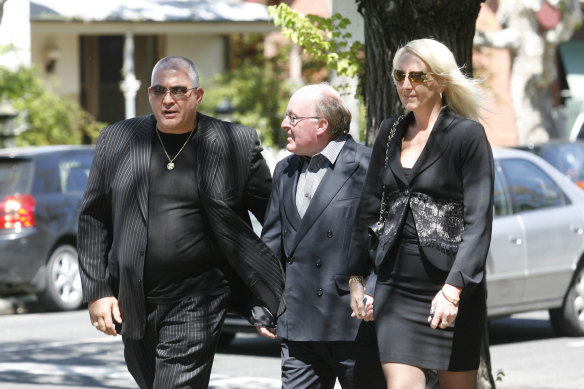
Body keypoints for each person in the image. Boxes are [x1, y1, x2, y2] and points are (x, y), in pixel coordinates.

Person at [77, 56, 285, 389]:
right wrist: (97, 292)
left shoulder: (235, 144)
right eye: (159, 90)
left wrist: (268, 285)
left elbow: (274, 219)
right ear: (149, 94)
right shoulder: (118, 140)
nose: (168, 99)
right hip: (134, 300)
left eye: (178, 90)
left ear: (197, 95)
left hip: (200, 299)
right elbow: (93, 219)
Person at [348, 38, 494, 389]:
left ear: (441, 82)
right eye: (400, 75)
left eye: (417, 76)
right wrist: (356, 279)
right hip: (396, 287)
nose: (405, 85)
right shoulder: (389, 132)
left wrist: (453, 290)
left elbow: (478, 222)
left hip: (450, 288)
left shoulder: (466, 136)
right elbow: (369, 208)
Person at [257, 84, 385, 389]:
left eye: (292, 117)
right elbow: (272, 243)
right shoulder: (284, 170)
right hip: (298, 324)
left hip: (354, 322)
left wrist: (374, 292)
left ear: (321, 125)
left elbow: (388, 242)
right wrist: (263, 302)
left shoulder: (370, 166)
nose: (284, 124)